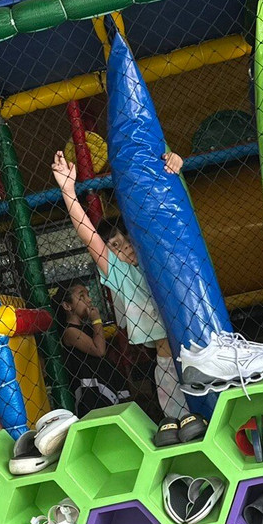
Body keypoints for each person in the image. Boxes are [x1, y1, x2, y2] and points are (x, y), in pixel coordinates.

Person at [52, 150, 185, 420]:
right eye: (115, 245)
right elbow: (90, 238)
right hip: (168, 360)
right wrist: (68, 190)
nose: (125, 246)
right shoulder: (121, 274)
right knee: (184, 422)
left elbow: (169, 215)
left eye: (126, 239)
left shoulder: (157, 257)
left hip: (196, 347)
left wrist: (174, 170)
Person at [52, 281, 131, 415]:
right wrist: (96, 320)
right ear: (67, 306)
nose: (89, 300)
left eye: (88, 295)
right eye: (81, 296)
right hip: (91, 391)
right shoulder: (70, 331)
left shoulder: (85, 327)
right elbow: (99, 350)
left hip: (103, 381)